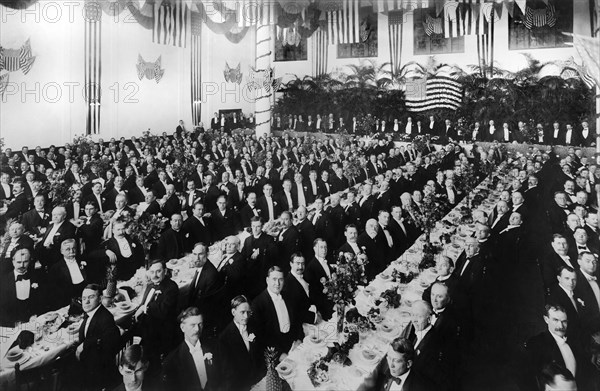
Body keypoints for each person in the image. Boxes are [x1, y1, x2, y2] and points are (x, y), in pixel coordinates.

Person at [524, 304, 587, 390]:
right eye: (555, 320)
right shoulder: (536, 343)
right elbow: (533, 379)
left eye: (564, 321)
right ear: (546, 319)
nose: (560, 326)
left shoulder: (575, 341)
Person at [134, 260, 179, 372]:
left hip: (161, 331)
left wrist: (144, 308)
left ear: (165, 271)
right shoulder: (150, 286)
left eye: (158, 271)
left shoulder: (171, 287)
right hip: (147, 326)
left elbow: (163, 311)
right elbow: (143, 304)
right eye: (152, 272)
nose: (154, 275)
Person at [75, 284, 121, 391]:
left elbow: (112, 339)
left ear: (100, 298)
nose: (86, 302)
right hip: (88, 363)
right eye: (84, 298)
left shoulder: (105, 317)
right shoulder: (92, 312)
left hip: (98, 371)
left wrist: (84, 345)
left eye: (91, 297)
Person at [162, 307, 219, 391]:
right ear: (182, 327)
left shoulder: (215, 348)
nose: (197, 329)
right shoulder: (172, 360)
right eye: (193, 325)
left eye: (200, 324)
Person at [250, 266, 300, 356]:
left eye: (280, 279)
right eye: (274, 279)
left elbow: (296, 321)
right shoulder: (257, 304)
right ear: (267, 280)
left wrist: (298, 339)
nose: (277, 283)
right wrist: (280, 354)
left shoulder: (288, 296)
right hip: (275, 352)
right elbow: (260, 337)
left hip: (293, 345)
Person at [218, 295, 264, 391]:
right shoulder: (224, 338)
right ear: (233, 312)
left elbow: (259, 356)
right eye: (242, 312)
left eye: (248, 312)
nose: (246, 316)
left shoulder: (254, 325)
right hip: (242, 385)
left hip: (259, 380)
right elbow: (229, 373)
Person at [359, 336, 435, 391]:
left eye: (396, 361)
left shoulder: (419, 387)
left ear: (408, 364)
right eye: (389, 358)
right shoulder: (391, 372)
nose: (391, 365)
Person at [0, 248, 46, 326]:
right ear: (13, 261)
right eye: (19, 262)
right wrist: (13, 323)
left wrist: (36, 315)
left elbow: (42, 302)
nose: (22, 265)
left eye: (25, 262)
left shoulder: (37, 277)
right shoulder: (3, 281)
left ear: (30, 261)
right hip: (11, 325)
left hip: (34, 323)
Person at [187, 243, 225, 334]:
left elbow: (205, 303)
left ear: (207, 255)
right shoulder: (202, 267)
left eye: (200, 254)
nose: (197, 258)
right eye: (195, 254)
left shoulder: (211, 274)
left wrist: (187, 313)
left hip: (204, 316)